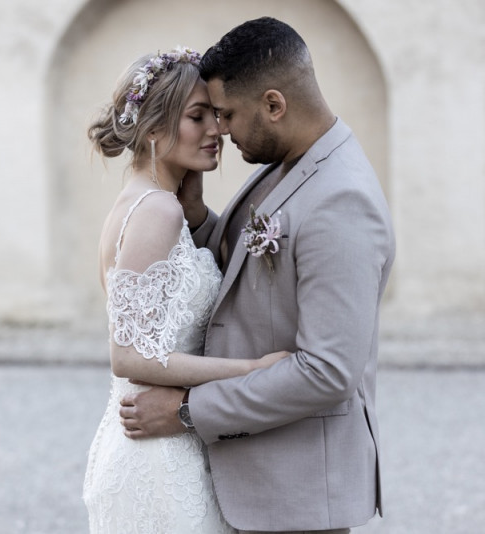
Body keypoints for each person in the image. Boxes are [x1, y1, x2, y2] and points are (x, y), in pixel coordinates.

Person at [117, 18, 396, 534]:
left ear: (274, 105)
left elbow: (327, 373)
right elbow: (246, 268)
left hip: (300, 494)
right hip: (255, 483)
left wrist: (186, 411)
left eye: (226, 114)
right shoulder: (284, 164)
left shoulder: (342, 201)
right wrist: (198, 217)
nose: (219, 129)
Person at [82, 46, 290, 533]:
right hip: (157, 460)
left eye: (216, 116)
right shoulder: (157, 211)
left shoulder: (144, 203)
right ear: (154, 129)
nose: (216, 130)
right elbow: (129, 356)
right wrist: (252, 370)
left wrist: (197, 212)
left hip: (151, 448)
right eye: (198, 117)